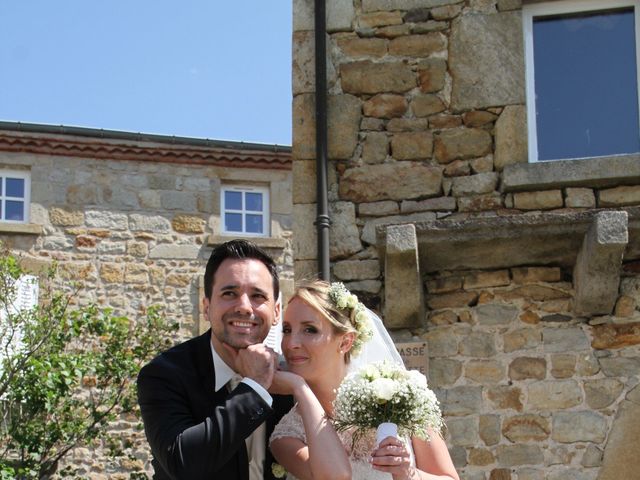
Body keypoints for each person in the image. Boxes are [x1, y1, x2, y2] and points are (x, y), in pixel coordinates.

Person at [269, 280, 459, 480]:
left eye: (310, 329)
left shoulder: (396, 398)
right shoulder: (287, 435)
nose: (291, 343)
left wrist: (408, 474)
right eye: (287, 330)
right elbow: (334, 477)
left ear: (345, 341)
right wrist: (299, 387)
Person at [137, 239, 293, 480]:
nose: (244, 307)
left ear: (276, 311)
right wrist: (254, 386)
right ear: (206, 306)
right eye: (229, 293)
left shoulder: (291, 375)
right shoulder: (164, 374)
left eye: (257, 295)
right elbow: (182, 463)